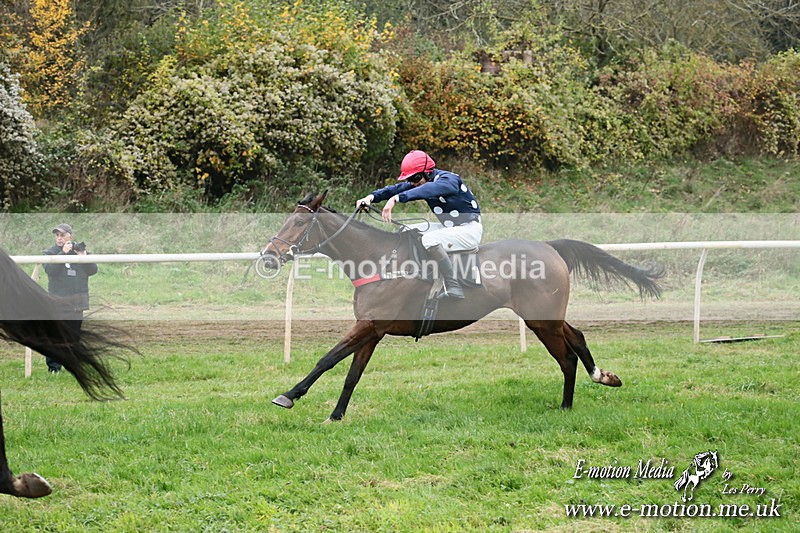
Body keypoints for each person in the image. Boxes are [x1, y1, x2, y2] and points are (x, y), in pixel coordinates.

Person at [356, 150, 482, 299]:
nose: (414, 183)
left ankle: (453, 285)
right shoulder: (420, 182)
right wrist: (369, 198)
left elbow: (428, 190)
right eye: (410, 179)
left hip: (469, 229)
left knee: (429, 239)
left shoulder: (449, 179)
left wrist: (396, 199)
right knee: (407, 229)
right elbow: (394, 189)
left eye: (415, 178)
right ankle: (415, 276)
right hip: (451, 228)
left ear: (428, 172)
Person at [42, 223, 98, 372]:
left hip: (77, 302)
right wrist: (63, 254)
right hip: (57, 302)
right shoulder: (50, 253)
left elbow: (93, 270)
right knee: (55, 336)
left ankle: (72, 366)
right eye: (57, 235)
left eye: (62, 235)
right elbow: (50, 270)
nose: (59, 238)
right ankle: (54, 368)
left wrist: (84, 257)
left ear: (70, 236)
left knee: (73, 336)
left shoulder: (79, 250)